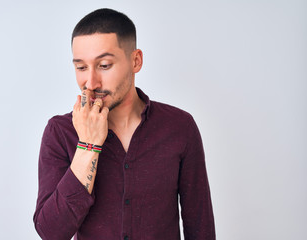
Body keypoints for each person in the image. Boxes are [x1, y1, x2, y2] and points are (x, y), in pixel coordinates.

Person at [33, 8, 215, 240]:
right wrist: (88, 146)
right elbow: (51, 232)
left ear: (135, 61)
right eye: (80, 67)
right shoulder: (60, 132)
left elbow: (200, 226)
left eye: (104, 65)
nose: (91, 82)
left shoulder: (180, 127)